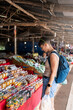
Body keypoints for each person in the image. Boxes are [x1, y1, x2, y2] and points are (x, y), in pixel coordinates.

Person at [38, 37, 59, 110]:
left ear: (46, 45)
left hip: (49, 82)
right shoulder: (50, 54)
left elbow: (54, 72)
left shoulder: (53, 55)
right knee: (47, 104)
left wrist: (49, 86)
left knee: (49, 104)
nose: (42, 49)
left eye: (42, 47)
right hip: (48, 81)